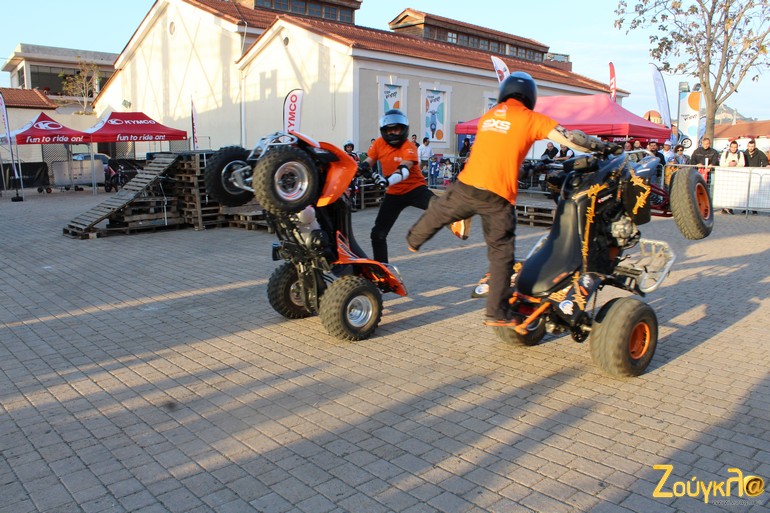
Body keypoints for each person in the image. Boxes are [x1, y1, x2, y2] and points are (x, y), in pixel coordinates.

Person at [406, 71, 604, 327]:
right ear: (530, 97)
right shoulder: (532, 119)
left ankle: (414, 239)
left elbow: (498, 152)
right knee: (501, 255)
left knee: (440, 211)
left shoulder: (488, 117)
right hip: (497, 196)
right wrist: (600, 147)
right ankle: (496, 312)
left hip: (466, 185)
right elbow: (571, 139)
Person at [359, 109, 470, 263]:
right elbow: (368, 161)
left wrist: (387, 180)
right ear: (384, 130)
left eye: (397, 129)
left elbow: (404, 169)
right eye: (390, 130)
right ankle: (383, 269)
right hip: (394, 194)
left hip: (414, 189)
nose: (393, 133)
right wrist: (361, 168)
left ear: (404, 129)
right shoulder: (379, 144)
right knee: (377, 234)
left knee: (437, 206)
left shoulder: (408, 146)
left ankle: (458, 219)